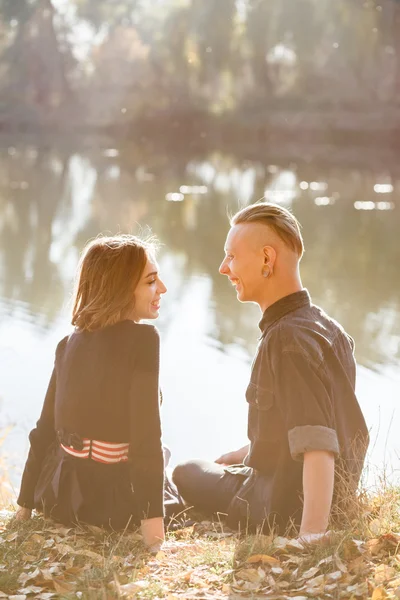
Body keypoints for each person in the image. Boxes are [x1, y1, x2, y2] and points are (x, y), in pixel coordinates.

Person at [173, 202, 369, 538]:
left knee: (185, 471)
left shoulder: (286, 339)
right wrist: (244, 453)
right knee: (219, 462)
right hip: (313, 491)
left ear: (267, 259)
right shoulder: (328, 327)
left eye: (231, 256)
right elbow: (305, 421)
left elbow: (317, 445)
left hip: (276, 506)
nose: (223, 268)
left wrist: (311, 537)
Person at [16, 234, 177, 551]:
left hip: (59, 497)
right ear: (120, 287)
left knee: (164, 455)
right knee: (167, 460)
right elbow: (146, 439)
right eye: (150, 282)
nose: (162, 289)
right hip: (112, 506)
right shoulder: (144, 341)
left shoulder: (67, 344)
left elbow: (44, 429)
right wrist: (155, 538)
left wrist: (25, 505)